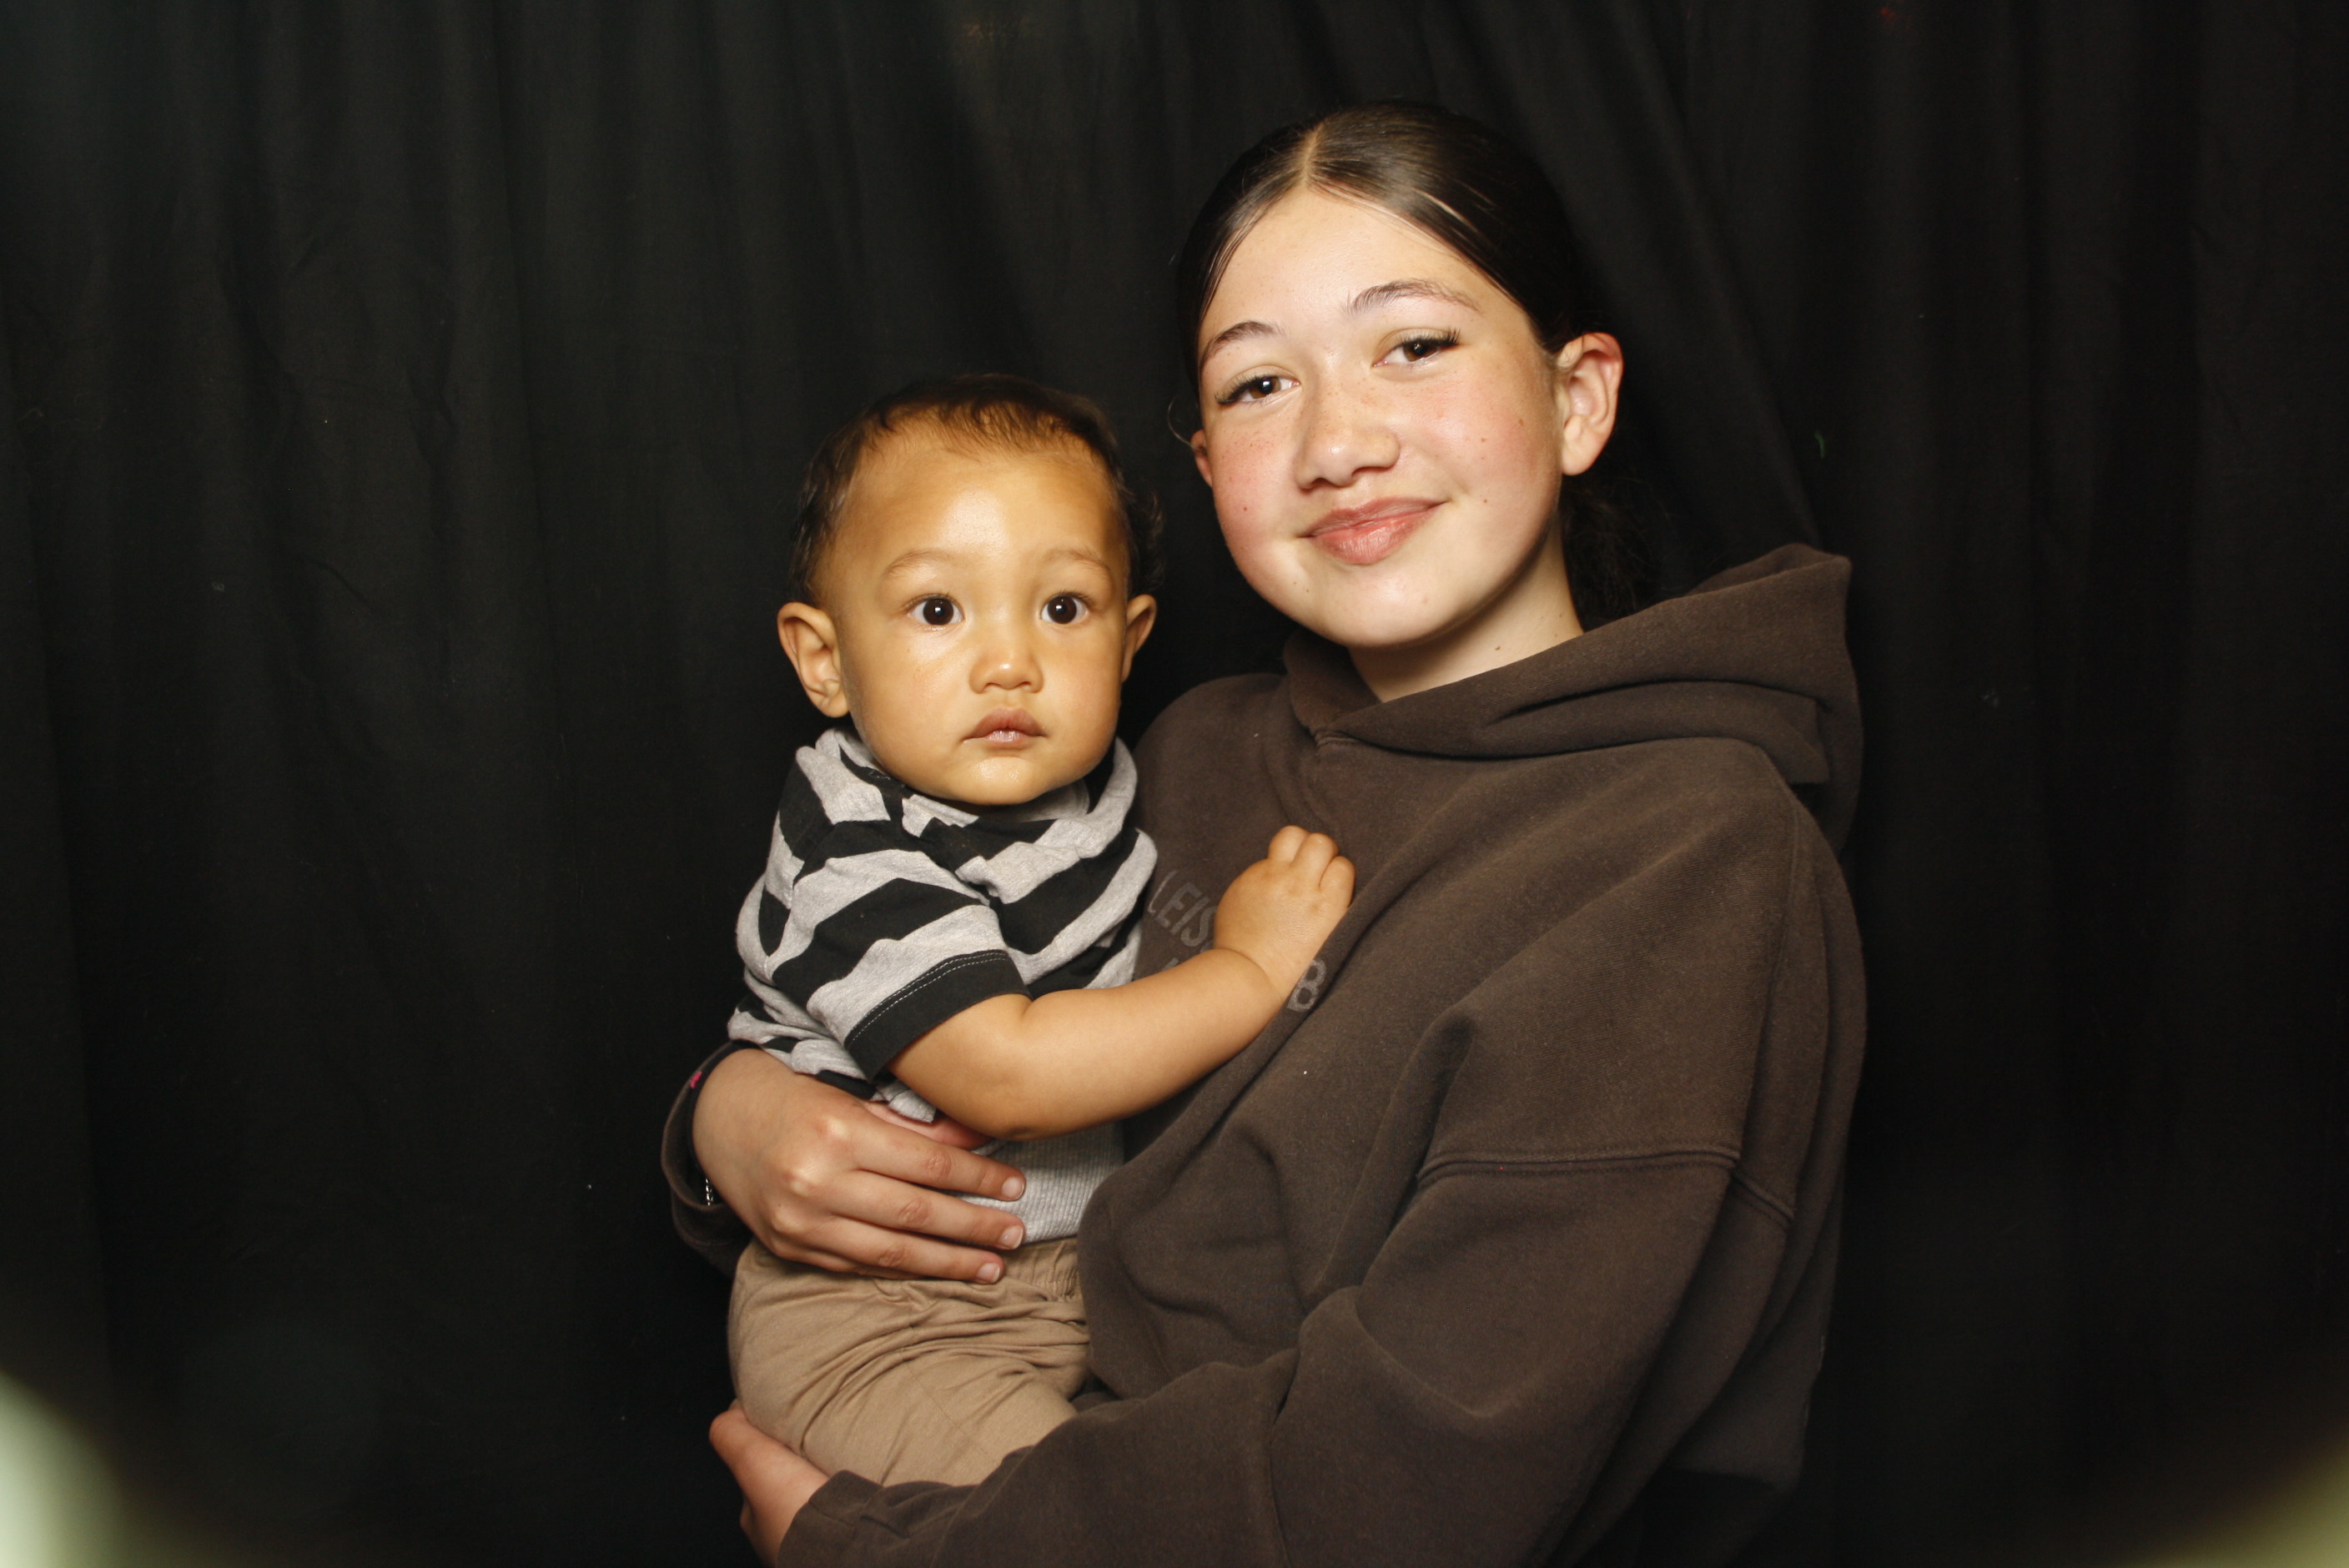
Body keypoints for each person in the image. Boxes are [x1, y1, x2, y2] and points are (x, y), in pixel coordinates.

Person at [669, 100, 1864, 1567]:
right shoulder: (1177, 751)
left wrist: (882, 1555)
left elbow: (1411, 1496)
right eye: (1255, 385)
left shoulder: (1692, 863)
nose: (1338, 442)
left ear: (1578, 400)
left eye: (1413, 345)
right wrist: (730, 1117)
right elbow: (944, 1024)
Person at [722, 374, 1353, 1487]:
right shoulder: (849, 846)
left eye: (1062, 609)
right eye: (937, 610)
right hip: (880, 1319)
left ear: (1125, 639)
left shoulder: (1104, 781)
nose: (1009, 661)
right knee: (1090, 1515)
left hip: (1078, 1278)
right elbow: (1005, 1076)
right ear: (824, 660)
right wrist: (1250, 968)